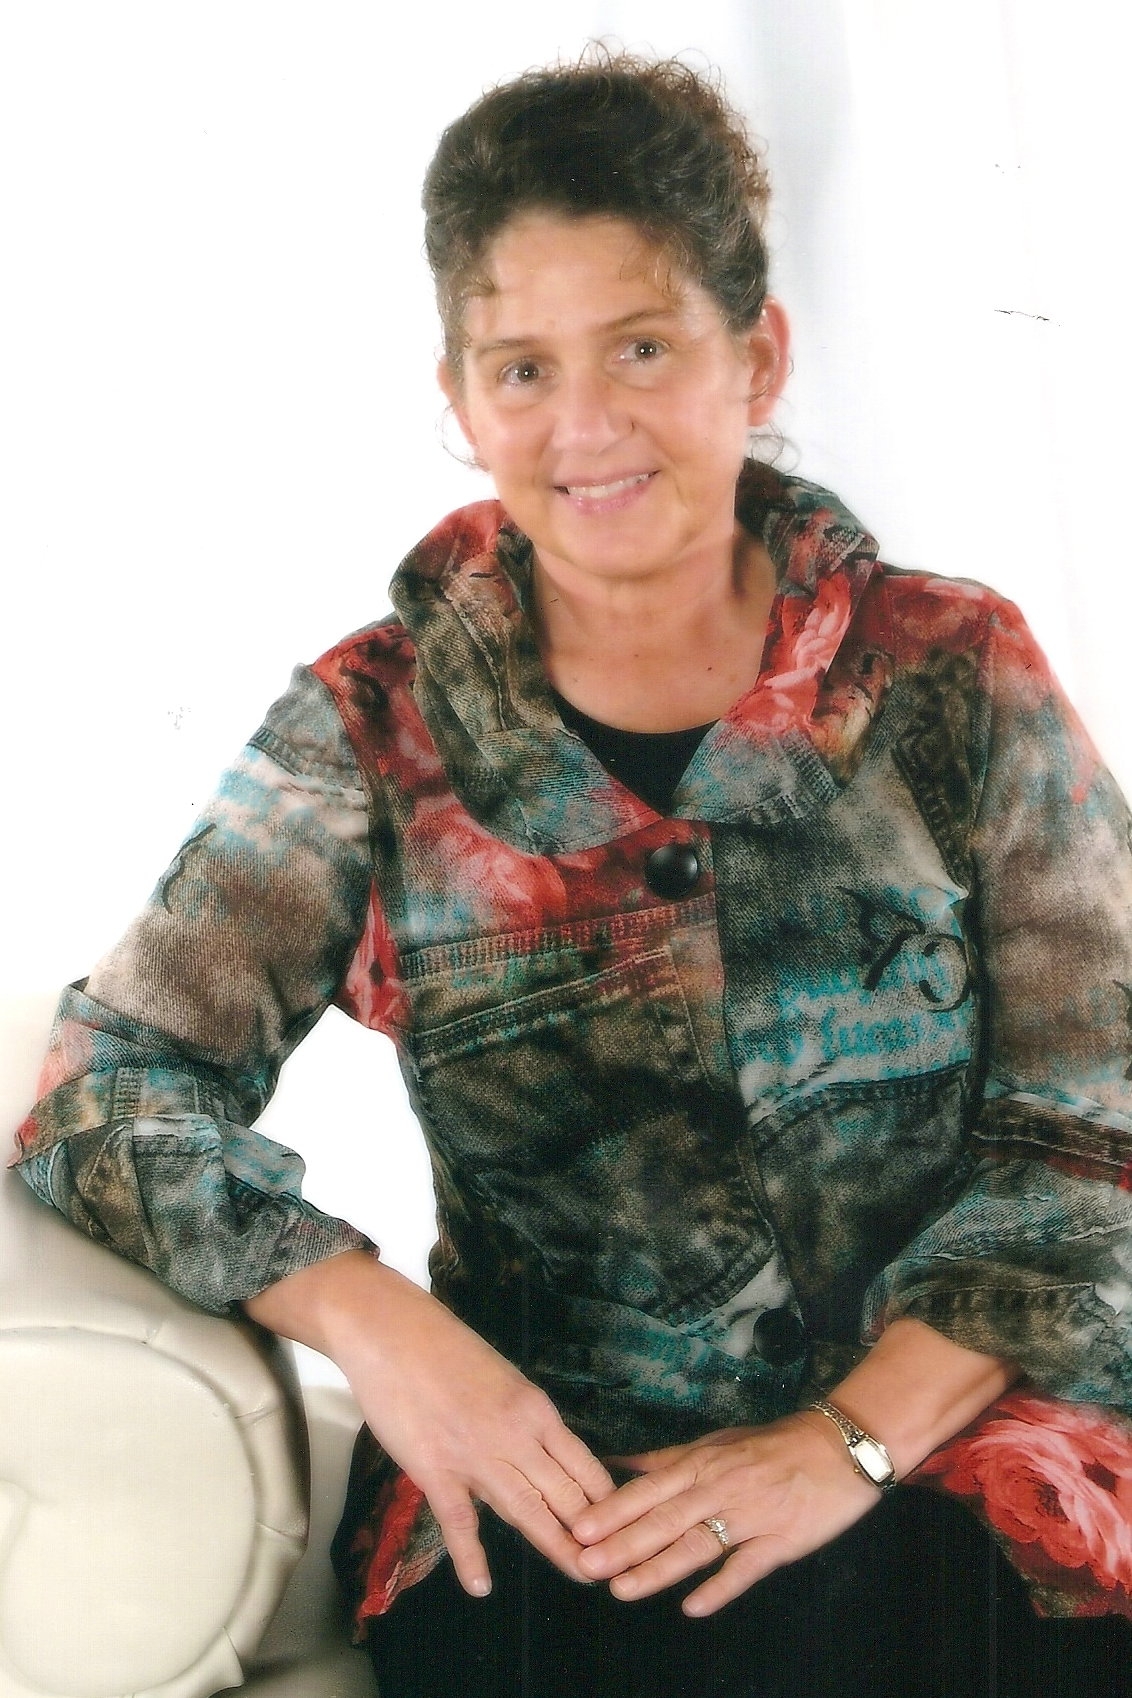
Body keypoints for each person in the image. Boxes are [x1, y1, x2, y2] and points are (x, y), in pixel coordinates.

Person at [13, 50, 1132, 1698]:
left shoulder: (953, 672)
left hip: (958, 1446)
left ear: (758, 355)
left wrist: (845, 1441)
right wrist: (381, 1324)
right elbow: (108, 1089)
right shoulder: (371, 728)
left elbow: (1096, 1121)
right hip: (555, 1478)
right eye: (523, 367)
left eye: (642, 347)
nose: (586, 425)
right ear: (460, 401)